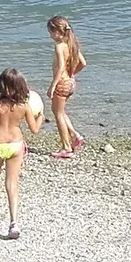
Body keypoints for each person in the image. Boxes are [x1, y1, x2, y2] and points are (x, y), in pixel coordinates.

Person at [0, 68, 44, 240]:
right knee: (12, 183)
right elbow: (34, 130)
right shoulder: (24, 106)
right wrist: (41, 117)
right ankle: (14, 222)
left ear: (1, 84)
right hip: (16, 145)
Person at [46, 15, 87, 159]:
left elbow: (61, 66)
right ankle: (76, 136)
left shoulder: (59, 46)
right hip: (70, 82)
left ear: (57, 31)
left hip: (62, 84)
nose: (50, 36)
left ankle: (66, 147)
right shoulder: (72, 44)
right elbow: (83, 63)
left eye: (51, 32)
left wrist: (53, 85)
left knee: (58, 114)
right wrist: (72, 74)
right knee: (60, 111)